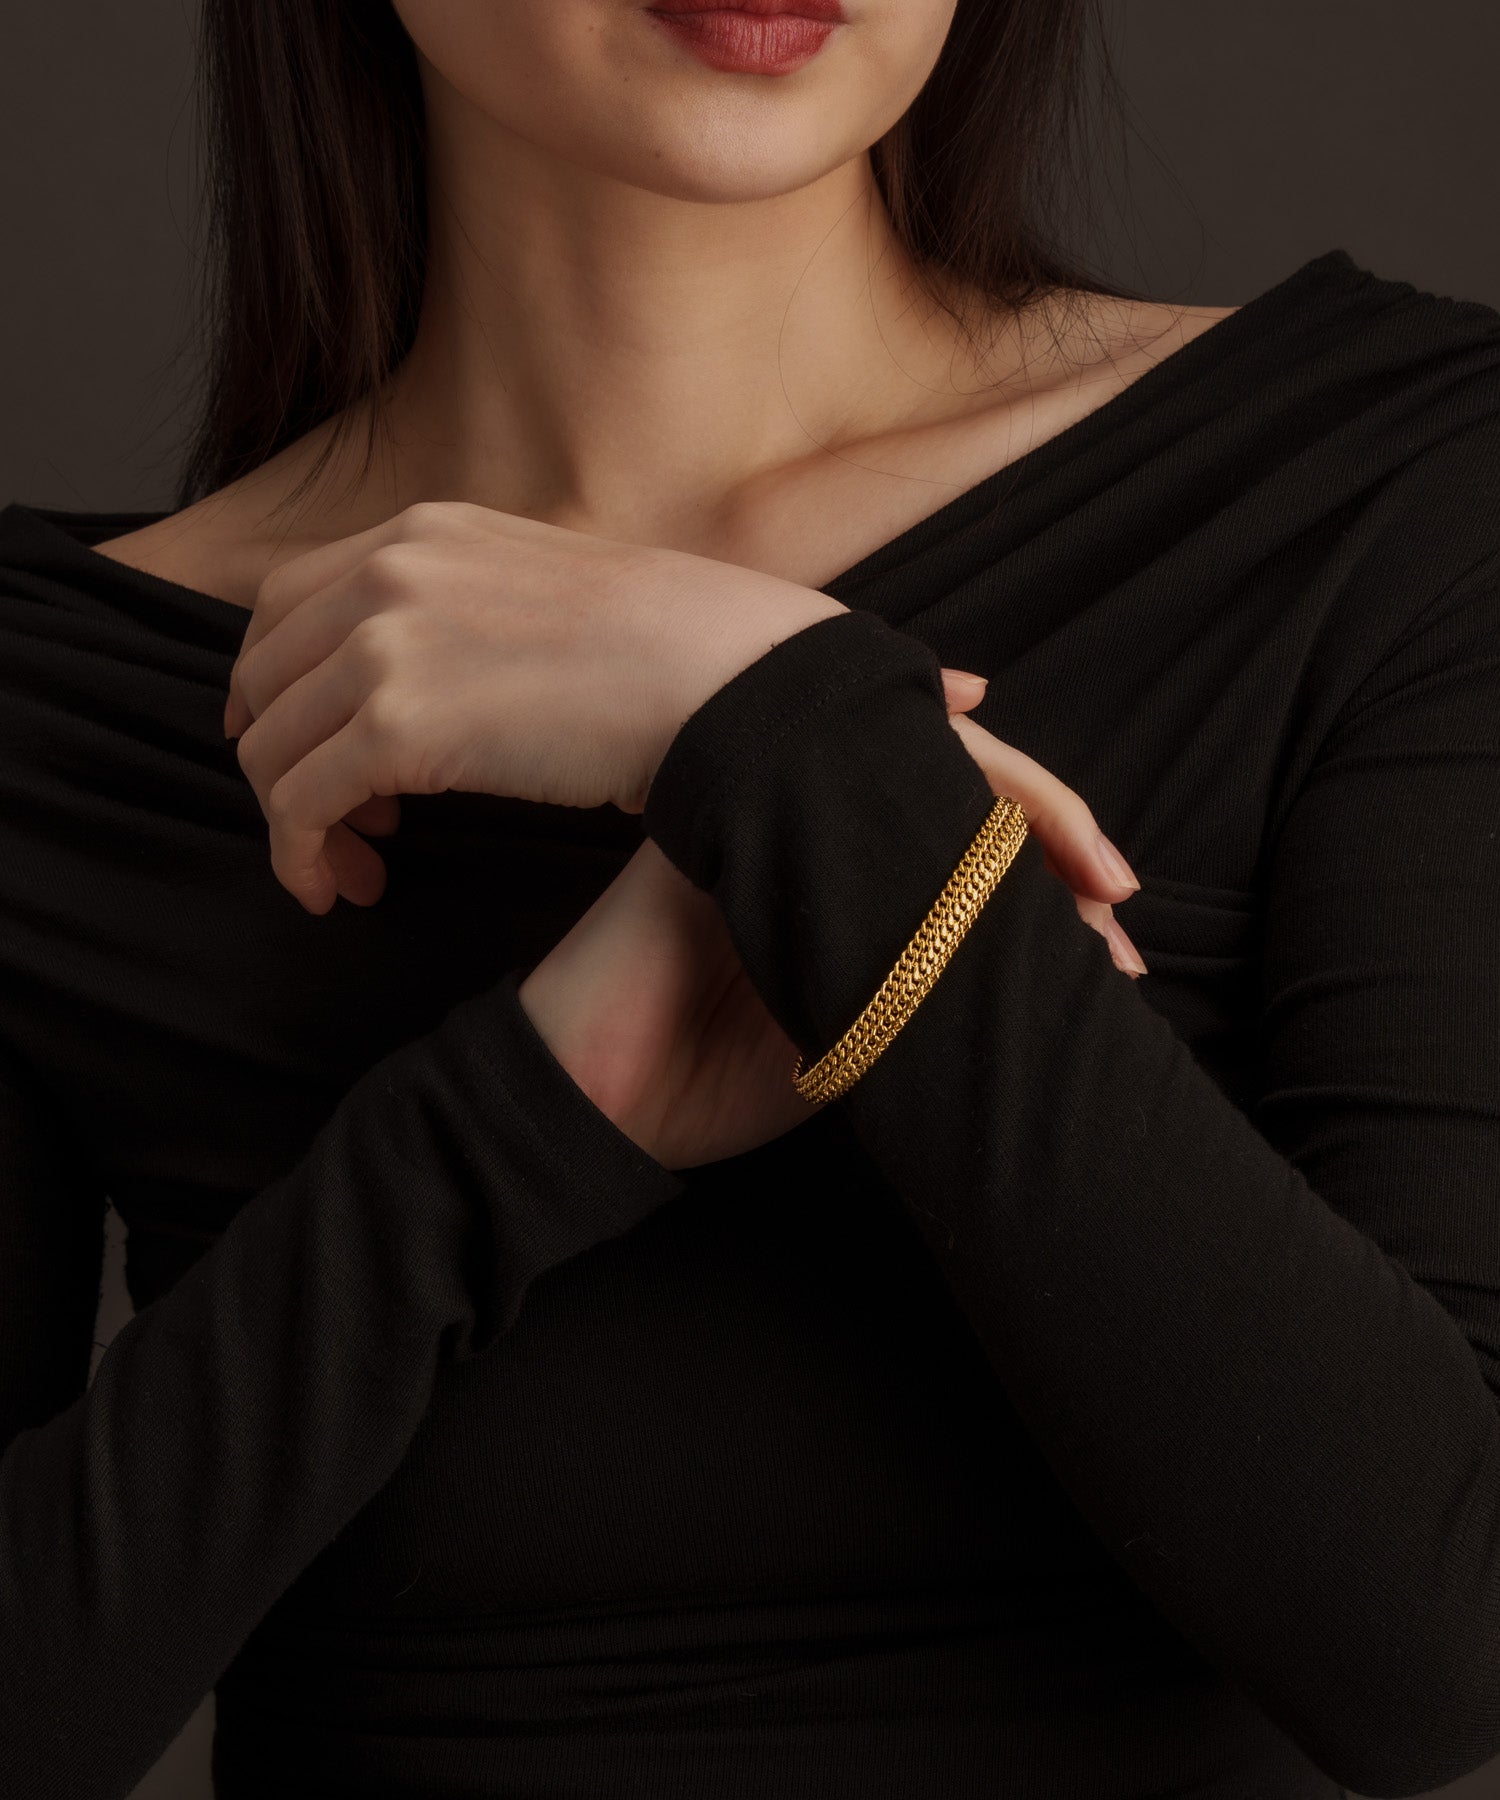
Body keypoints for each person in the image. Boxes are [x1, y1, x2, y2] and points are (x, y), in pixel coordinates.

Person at [1, 1, 1497, 1796]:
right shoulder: (55, 707)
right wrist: (525, 1118)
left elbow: (1441, 1650)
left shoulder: (1382, 497)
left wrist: (784, 734)